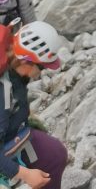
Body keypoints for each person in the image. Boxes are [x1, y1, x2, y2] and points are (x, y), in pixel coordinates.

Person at [0, 22, 68, 189]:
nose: (41, 73)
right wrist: (22, 173)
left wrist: (25, 119)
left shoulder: (13, 71)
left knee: (55, 154)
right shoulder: (3, 91)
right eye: (42, 67)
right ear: (27, 61)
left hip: (14, 134)